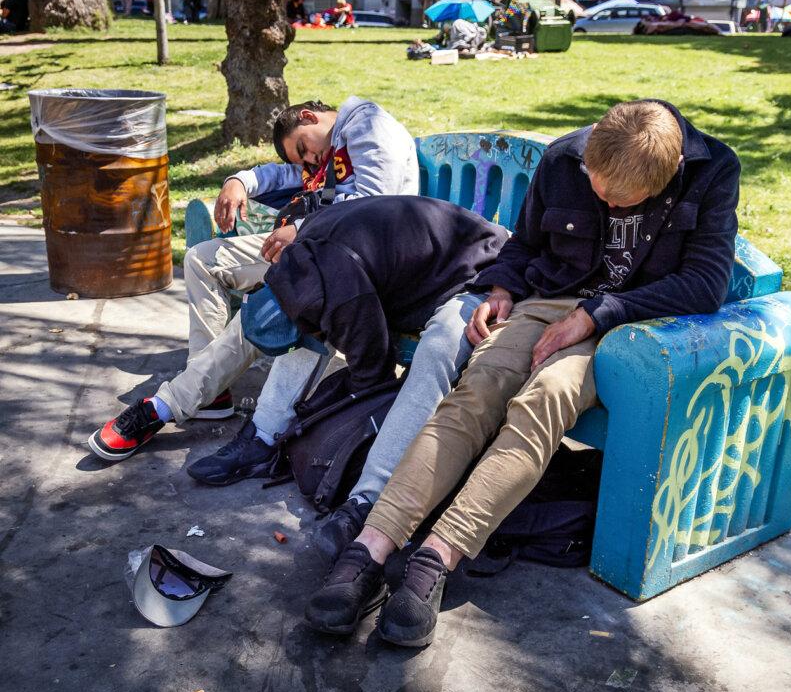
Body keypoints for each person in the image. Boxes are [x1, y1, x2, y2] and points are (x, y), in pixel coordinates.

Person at [303, 100, 741, 645]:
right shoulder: (566, 159)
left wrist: (596, 315)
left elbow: (704, 283)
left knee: (544, 399)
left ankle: (436, 558)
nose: (604, 203)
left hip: (629, 324)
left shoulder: (712, 172)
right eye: (597, 189)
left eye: (619, 201)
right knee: (475, 392)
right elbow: (527, 244)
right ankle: (371, 547)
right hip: (548, 301)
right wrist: (503, 288)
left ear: (666, 175)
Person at [88, 197, 506, 518]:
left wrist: (332, 420)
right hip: (402, 263)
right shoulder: (303, 247)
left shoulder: (349, 294)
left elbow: (373, 372)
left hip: (477, 268)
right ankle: (246, 431)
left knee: (409, 344)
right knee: (301, 312)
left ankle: (367, 499)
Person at [88, 98, 417, 461]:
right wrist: (238, 181)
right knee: (203, 259)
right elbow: (281, 175)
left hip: (355, 262)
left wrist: (301, 227)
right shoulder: (323, 155)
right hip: (314, 249)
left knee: (268, 306)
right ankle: (210, 393)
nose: (308, 160)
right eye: (302, 158)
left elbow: (375, 204)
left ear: (309, 116)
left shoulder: (367, 125)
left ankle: (168, 403)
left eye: (303, 149)